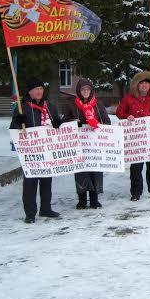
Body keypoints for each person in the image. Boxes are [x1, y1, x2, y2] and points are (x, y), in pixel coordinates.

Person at [10, 77, 62, 223]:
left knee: (46, 181)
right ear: (30, 91)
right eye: (36, 89)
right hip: (31, 153)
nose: (39, 91)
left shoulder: (49, 106)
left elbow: (56, 123)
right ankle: (30, 213)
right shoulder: (22, 107)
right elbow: (13, 129)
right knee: (30, 184)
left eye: (41, 88)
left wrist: (58, 123)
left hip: (46, 151)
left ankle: (45, 208)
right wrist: (18, 122)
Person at [116, 71, 150, 201]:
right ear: (137, 85)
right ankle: (136, 192)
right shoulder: (128, 98)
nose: (144, 86)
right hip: (137, 139)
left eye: (146, 83)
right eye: (141, 83)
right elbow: (119, 112)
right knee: (136, 167)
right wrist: (127, 116)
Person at [64, 78, 111, 209]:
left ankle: (94, 199)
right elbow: (64, 122)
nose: (85, 92)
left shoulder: (98, 104)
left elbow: (107, 122)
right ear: (79, 91)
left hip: (95, 145)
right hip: (79, 145)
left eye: (88, 89)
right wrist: (75, 123)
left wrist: (99, 125)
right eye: (83, 89)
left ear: (91, 91)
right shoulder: (71, 104)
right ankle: (82, 199)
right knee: (81, 171)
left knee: (95, 170)